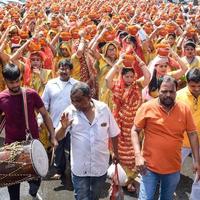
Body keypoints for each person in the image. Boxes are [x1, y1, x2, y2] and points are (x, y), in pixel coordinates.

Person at [131, 75, 200, 200]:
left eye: (171, 91)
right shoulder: (147, 107)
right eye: (164, 91)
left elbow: (192, 133)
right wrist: (137, 156)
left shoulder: (184, 109)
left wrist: (196, 160)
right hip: (148, 167)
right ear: (158, 90)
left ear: (176, 91)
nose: (168, 95)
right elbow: (135, 130)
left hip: (173, 168)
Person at [0, 63, 57, 200]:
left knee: (36, 179)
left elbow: (45, 115)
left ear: (20, 78)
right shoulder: (1, 98)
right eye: (10, 82)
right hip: (12, 146)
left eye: (16, 81)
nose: (14, 85)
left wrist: (53, 136)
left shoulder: (31, 94)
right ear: (5, 80)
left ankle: (33, 192)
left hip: (32, 144)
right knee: (13, 184)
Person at [55, 82, 120, 200]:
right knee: (82, 197)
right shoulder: (69, 112)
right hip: (80, 168)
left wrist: (115, 152)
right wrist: (63, 127)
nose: (75, 104)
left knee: (94, 197)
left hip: (100, 166)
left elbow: (114, 133)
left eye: (79, 100)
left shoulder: (104, 109)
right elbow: (57, 137)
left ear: (89, 97)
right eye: (73, 100)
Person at [105, 52, 150, 192]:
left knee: (133, 152)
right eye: (127, 76)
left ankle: (129, 180)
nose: (130, 79)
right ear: (122, 76)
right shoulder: (117, 87)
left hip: (135, 125)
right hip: (120, 125)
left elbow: (148, 76)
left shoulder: (138, 85)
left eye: (131, 76)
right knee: (120, 152)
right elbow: (107, 79)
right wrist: (119, 61)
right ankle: (120, 177)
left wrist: (137, 59)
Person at [40, 59, 78, 180]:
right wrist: (40, 118)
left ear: (71, 70)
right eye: (61, 68)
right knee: (58, 150)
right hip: (56, 123)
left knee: (74, 149)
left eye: (66, 68)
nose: (63, 71)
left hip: (73, 124)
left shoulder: (76, 85)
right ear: (57, 70)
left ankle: (75, 172)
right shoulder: (50, 84)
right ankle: (60, 171)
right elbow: (44, 103)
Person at [176, 68, 200, 163]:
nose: (197, 89)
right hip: (181, 142)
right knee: (172, 170)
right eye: (193, 86)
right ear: (187, 83)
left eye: (199, 86)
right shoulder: (177, 97)